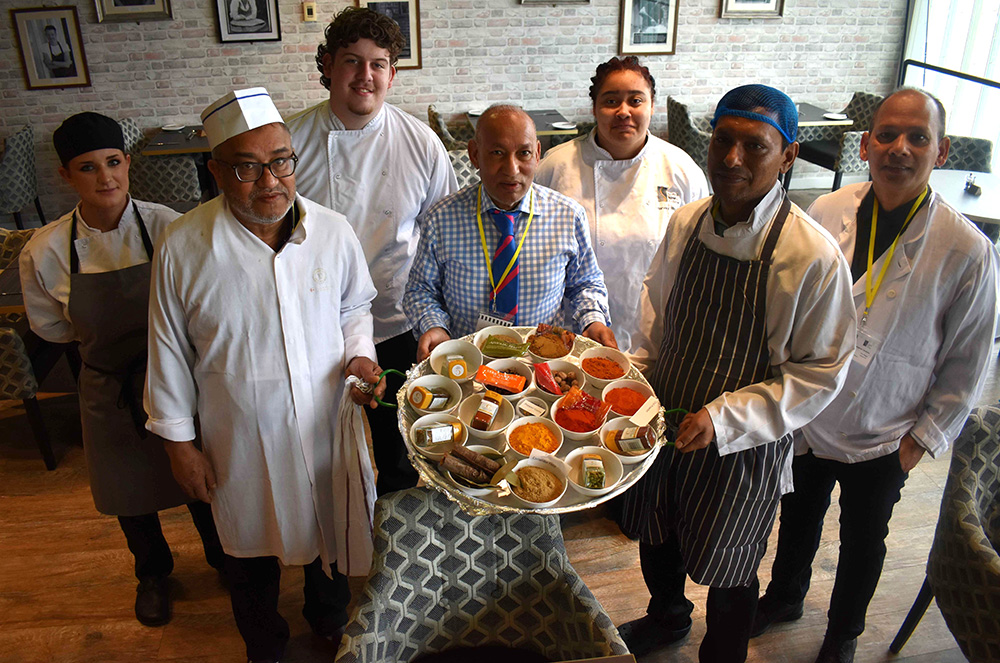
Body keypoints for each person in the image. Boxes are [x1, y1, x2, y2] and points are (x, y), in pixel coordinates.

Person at [752, 88, 998, 663]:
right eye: (886, 135)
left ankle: (844, 632)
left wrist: (920, 441)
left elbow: (968, 363)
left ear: (941, 151)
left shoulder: (967, 250)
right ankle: (785, 597)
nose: (899, 148)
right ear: (865, 145)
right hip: (811, 414)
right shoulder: (826, 210)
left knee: (865, 539)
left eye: (918, 137)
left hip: (887, 429)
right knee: (797, 516)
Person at [618, 84, 857, 663]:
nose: (731, 159)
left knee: (731, 566)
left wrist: (723, 419)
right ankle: (667, 618)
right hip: (665, 419)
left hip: (744, 443)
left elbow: (819, 373)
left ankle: (722, 654)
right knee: (658, 534)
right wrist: (631, 386)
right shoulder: (686, 223)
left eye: (755, 146)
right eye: (722, 141)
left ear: (788, 155)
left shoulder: (810, 255)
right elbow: (655, 317)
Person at [145, 88, 383, 663]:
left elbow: (354, 306)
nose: (271, 181)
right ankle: (264, 644)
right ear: (215, 171)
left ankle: (328, 620)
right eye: (247, 167)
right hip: (238, 440)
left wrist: (359, 354)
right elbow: (167, 349)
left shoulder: (332, 230)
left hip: (324, 426)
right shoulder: (183, 245)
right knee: (247, 553)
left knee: (329, 531)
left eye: (281, 161)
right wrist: (180, 446)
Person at [19, 112, 224, 628]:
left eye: (113, 162)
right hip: (107, 387)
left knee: (199, 479)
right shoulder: (45, 250)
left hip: (175, 378)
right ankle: (152, 575)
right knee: (128, 494)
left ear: (128, 163)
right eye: (87, 168)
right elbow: (51, 327)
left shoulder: (168, 225)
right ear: (66, 176)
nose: (105, 177)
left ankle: (225, 559)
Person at [287, 7, 457, 495]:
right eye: (352, 61)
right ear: (327, 66)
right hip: (315, 324)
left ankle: (393, 534)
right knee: (318, 445)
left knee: (399, 449)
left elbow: (442, 238)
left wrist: (439, 322)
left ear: (392, 74)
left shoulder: (421, 143)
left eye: (378, 64)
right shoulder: (291, 143)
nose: (366, 76)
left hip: (396, 318)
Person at [402, 104, 616, 359]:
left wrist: (593, 320)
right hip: (467, 362)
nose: (512, 169)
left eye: (524, 153)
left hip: (543, 362)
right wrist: (434, 326)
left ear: (537, 154)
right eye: (497, 153)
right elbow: (421, 290)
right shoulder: (441, 218)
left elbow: (585, 283)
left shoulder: (568, 216)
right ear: (474, 155)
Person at [535, 56, 708, 353]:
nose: (623, 112)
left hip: (652, 330)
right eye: (611, 101)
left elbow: (698, 260)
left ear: (652, 106)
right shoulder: (556, 167)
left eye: (636, 100)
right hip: (569, 328)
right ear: (594, 109)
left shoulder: (682, 170)